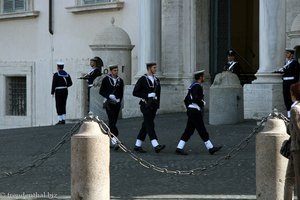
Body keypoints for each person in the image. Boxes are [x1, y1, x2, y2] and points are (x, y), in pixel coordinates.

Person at [175, 70, 222, 155]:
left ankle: (179, 147)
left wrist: (189, 107)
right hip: (195, 111)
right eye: (203, 76)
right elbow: (195, 99)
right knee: (201, 129)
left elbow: (186, 99)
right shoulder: (197, 87)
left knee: (189, 130)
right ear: (200, 77)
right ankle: (210, 148)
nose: (204, 78)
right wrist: (201, 103)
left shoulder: (192, 86)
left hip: (192, 110)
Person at [132, 62, 165, 153]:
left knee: (145, 125)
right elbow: (135, 92)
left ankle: (137, 145)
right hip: (145, 105)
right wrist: (147, 95)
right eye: (154, 67)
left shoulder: (156, 80)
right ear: (149, 68)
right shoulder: (142, 79)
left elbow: (158, 94)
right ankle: (156, 145)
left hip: (153, 106)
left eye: (155, 67)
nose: (155, 69)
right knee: (150, 124)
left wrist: (157, 104)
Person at [99, 64, 124, 150]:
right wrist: (109, 95)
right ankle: (114, 140)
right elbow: (101, 91)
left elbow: (121, 92)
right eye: (114, 70)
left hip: (116, 103)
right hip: (108, 103)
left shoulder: (120, 80)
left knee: (113, 122)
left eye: (117, 70)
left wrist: (119, 100)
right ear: (111, 71)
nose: (116, 72)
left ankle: (104, 135)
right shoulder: (106, 80)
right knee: (112, 121)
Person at [284, 82, 300, 200]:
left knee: (296, 180)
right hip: (294, 148)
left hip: (297, 149)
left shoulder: (295, 109)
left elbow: (297, 131)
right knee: (289, 178)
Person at [274, 49, 300, 118]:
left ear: (291, 54)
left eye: (288, 53)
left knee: (292, 97)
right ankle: (289, 113)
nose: (286, 54)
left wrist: (293, 82)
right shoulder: (286, 63)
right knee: (286, 98)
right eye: (286, 53)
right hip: (285, 83)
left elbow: (296, 74)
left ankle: (293, 113)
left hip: (291, 83)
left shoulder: (295, 63)